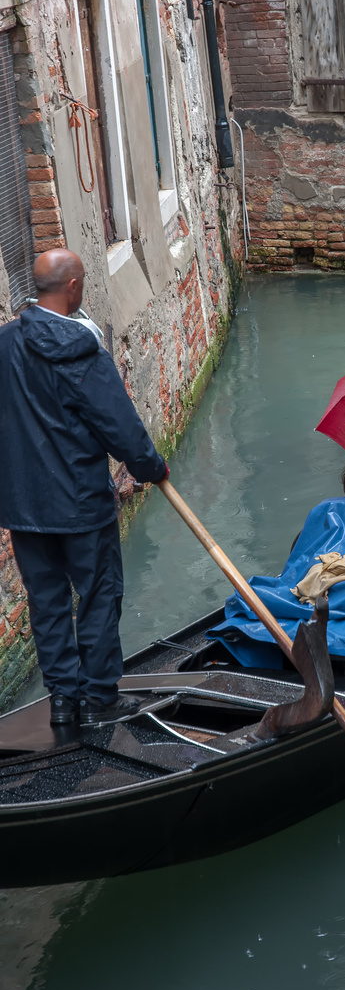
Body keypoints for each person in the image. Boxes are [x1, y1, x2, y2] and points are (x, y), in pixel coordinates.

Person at [0, 250, 168, 727]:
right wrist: (151, 467)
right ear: (73, 287)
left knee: (47, 602)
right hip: (78, 504)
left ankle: (61, 702)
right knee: (98, 595)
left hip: (23, 506)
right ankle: (99, 698)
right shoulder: (83, 352)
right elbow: (119, 425)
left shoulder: (4, 344)